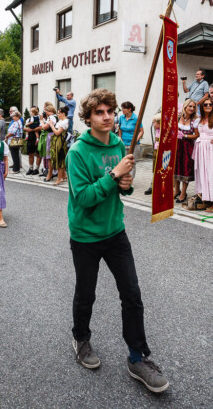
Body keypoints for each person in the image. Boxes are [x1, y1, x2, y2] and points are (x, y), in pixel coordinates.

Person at [66, 88, 169, 393]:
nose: (108, 116)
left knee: (132, 294)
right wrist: (114, 177)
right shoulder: (78, 152)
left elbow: (123, 190)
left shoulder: (118, 143)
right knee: (86, 293)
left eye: (110, 110)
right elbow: (83, 198)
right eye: (100, 112)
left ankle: (138, 357)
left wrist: (124, 183)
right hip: (85, 235)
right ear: (88, 117)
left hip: (115, 231)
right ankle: (81, 339)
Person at [174, 99, 199, 203]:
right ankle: (176, 190)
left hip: (188, 146)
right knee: (176, 167)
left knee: (185, 169)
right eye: (190, 106)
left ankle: (183, 192)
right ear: (185, 106)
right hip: (176, 145)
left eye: (193, 107)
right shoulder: (178, 117)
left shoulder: (195, 120)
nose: (192, 108)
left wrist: (184, 135)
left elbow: (197, 135)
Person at [192, 98, 213, 212]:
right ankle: (207, 198)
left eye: (211, 104)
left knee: (211, 174)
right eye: (206, 104)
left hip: (211, 150)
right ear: (202, 106)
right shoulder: (199, 120)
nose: (208, 105)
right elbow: (196, 134)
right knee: (203, 174)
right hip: (201, 150)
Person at [118, 101, 143, 178]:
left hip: (134, 145)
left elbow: (141, 131)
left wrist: (135, 140)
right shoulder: (121, 117)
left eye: (124, 108)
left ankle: (130, 180)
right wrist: (120, 137)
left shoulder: (136, 118)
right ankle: (124, 177)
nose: (122, 110)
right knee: (123, 162)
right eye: (122, 108)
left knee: (132, 162)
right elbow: (120, 128)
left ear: (129, 109)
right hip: (123, 143)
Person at [49, 106, 69, 185]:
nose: (57, 114)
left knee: (60, 159)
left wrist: (51, 125)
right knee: (59, 158)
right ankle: (63, 176)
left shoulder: (64, 121)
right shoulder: (61, 120)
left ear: (63, 113)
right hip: (57, 141)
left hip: (60, 142)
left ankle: (60, 178)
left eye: (58, 113)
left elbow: (57, 132)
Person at [144, 113, 161, 195]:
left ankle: (157, 186)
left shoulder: (164, 130)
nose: (153, 124)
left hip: (162, 151)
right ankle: (153, 185)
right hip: (156, 150)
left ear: (159, 123)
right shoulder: (157, 130)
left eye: (154, 122)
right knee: (155, 169)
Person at [41, 105, 58, 182]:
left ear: (48, 111)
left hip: (51, 136)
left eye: (45, 111)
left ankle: (50, 174)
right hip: (55, 136)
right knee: (52, 156)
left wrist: (41, 120)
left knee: (49, 156)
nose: (45, 112)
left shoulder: (51, 117)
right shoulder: (56, 116)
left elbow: (44, 127)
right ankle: (54, 172)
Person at [24, 107, 42, 175]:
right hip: (31, 137)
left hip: (38, 136)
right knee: (30, 153)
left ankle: (36, 169)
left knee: (38, 154)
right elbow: (24, 127)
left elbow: (40, 128)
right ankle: (30, 168)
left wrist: (32, 130)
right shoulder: (29, 119)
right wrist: (27, 130)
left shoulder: (40, 119)